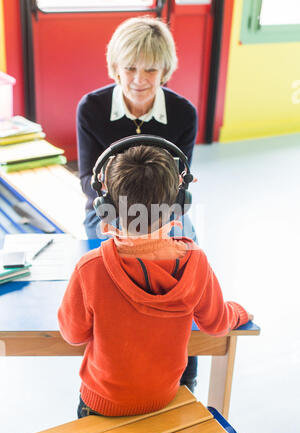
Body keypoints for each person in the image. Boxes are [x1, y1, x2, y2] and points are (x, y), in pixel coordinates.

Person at [58, 145, 252, 418]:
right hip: (163, 399)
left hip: (101, 406)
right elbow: (217, 324)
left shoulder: (90, 268)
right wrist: (238, 312)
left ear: (107, 209)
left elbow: (72, 335)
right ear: (178, 204)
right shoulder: (195, 262)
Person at [76, 15, 198, 240]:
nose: (139, 79)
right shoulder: (91, 109)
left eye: (150, 70)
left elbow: (181, 179)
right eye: (130, 68)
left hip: (164, 210)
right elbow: (87, 180)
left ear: (165, 70)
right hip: (109, 209)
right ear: (116, 67)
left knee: (188, 252)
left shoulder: (184, 114)